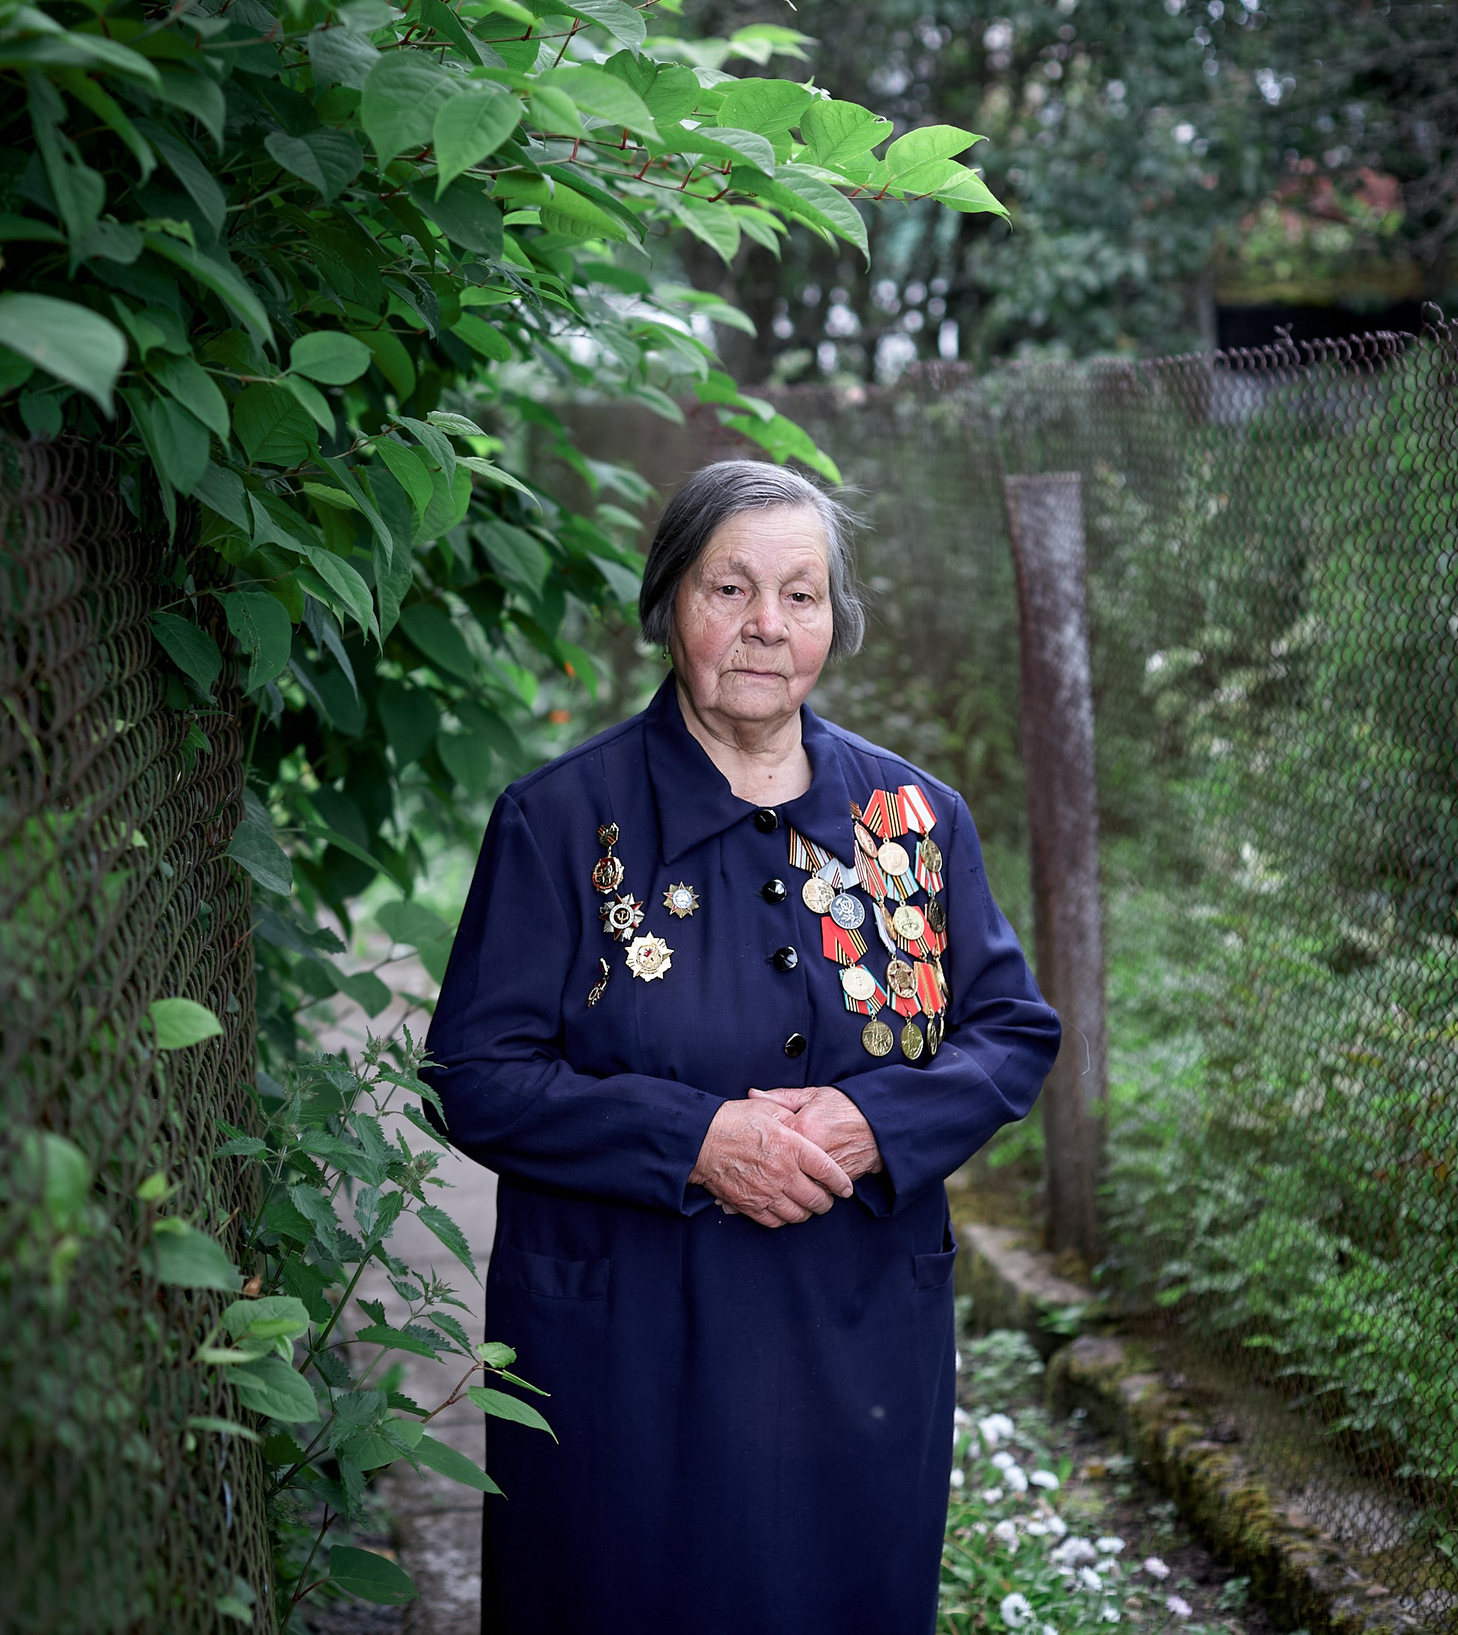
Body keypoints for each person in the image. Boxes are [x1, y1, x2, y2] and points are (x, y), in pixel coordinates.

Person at [423, 459, 1063, 1634]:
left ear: (833, 619)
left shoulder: (911, 821)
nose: (767, 624)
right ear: (670, 602)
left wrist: (876, 1121)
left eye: (800, 595)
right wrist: (695, 1139)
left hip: (857, 1340)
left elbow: (1010, 1029)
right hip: (630, 1350)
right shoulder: (559, 821)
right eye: (730, 589)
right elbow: (472, 1076)